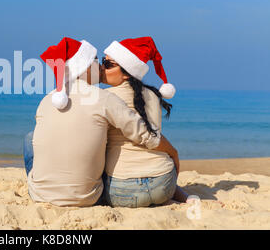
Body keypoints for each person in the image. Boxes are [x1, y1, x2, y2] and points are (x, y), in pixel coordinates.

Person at [24, 37, 171, 207]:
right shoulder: (104, 98)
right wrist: (173, 152)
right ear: (84, 67)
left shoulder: (45, 101)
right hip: (87, 198)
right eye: (95, 60)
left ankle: (45, 185)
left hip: (39, 196)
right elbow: (145, 135)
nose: (100, 66)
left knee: (30, 138)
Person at [101, 36, 188, 208]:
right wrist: (173, 153)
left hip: (123, 190)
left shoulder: (106, 98)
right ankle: (181, 196)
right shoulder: (153, 95)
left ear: (126, 74)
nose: (102, 68)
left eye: (108, 64)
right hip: (164, 184)